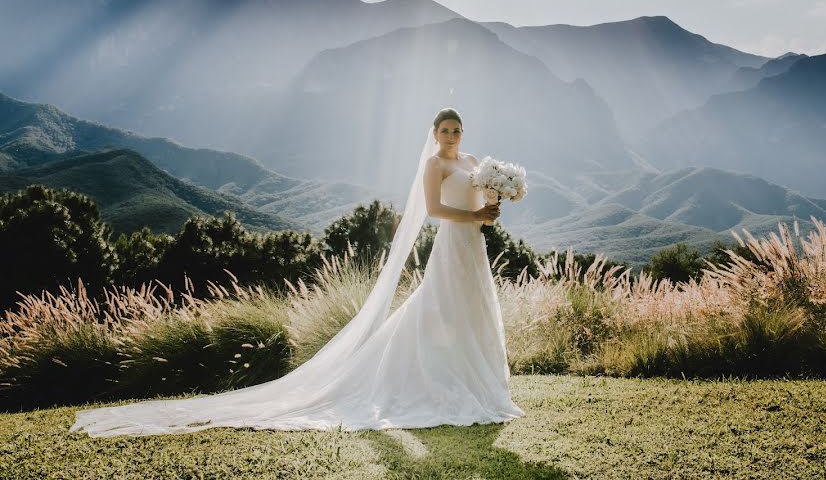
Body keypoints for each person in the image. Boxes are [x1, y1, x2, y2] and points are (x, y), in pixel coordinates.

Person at [70, 107, 525, 437]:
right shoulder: (435, 164)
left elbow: (478, 199)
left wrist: (493, 206)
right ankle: (434, 381)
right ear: (434, 133)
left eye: (457, 129)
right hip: (452, 243)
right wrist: (476, 218)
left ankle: (475, 379)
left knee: (472, 308)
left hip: (475, 247)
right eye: (445, 129)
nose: (452, 135)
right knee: (439, 307)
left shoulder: (471, 162)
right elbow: (434, 209)